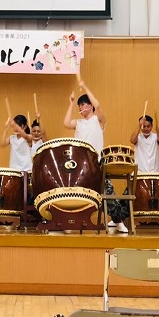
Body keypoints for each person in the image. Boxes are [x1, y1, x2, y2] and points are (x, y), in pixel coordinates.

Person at [63, 81, 129, 233]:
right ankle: (70, 222)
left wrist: (85, 86)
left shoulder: (98, 120)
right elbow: (66, 123)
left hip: (96, 162)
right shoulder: (78, 123)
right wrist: (71, 103)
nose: (80, 107)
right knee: (73, 192)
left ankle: (118, 221)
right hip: (79, 164)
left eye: (83, 104)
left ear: (90, 105)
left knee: (108, 192)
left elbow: (98, 105)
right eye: (79, 105)